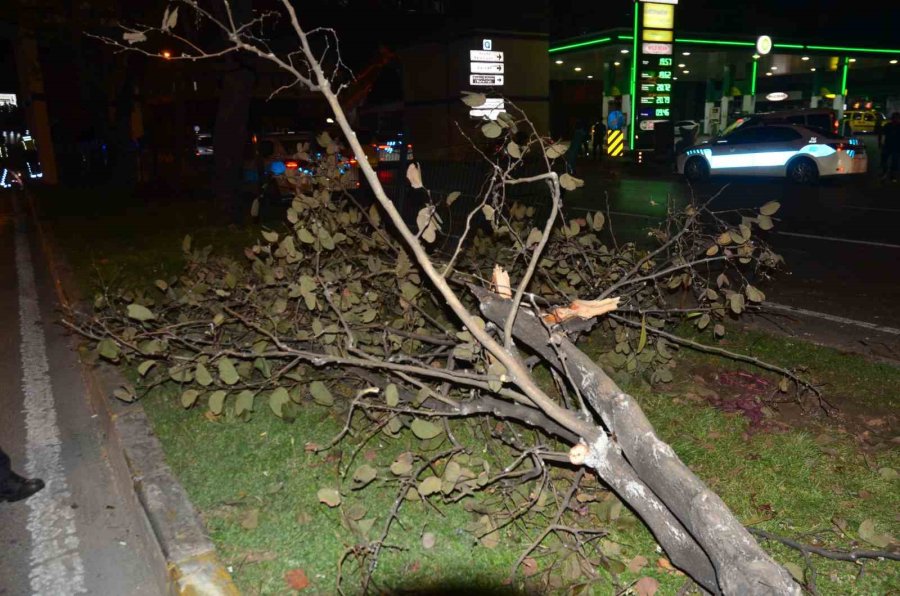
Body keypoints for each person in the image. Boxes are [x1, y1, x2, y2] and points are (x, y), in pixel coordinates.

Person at [879, 112, 900, 182]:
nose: (896, 120)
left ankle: (890, 175)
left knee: (894, 162)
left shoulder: (888, 125)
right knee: (886, 161)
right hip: (889, 146)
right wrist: (881, 143)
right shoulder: (888, 125)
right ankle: (887, 174)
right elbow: (882, 135)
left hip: (894, 146)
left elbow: (882, 135)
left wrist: (881, 143)